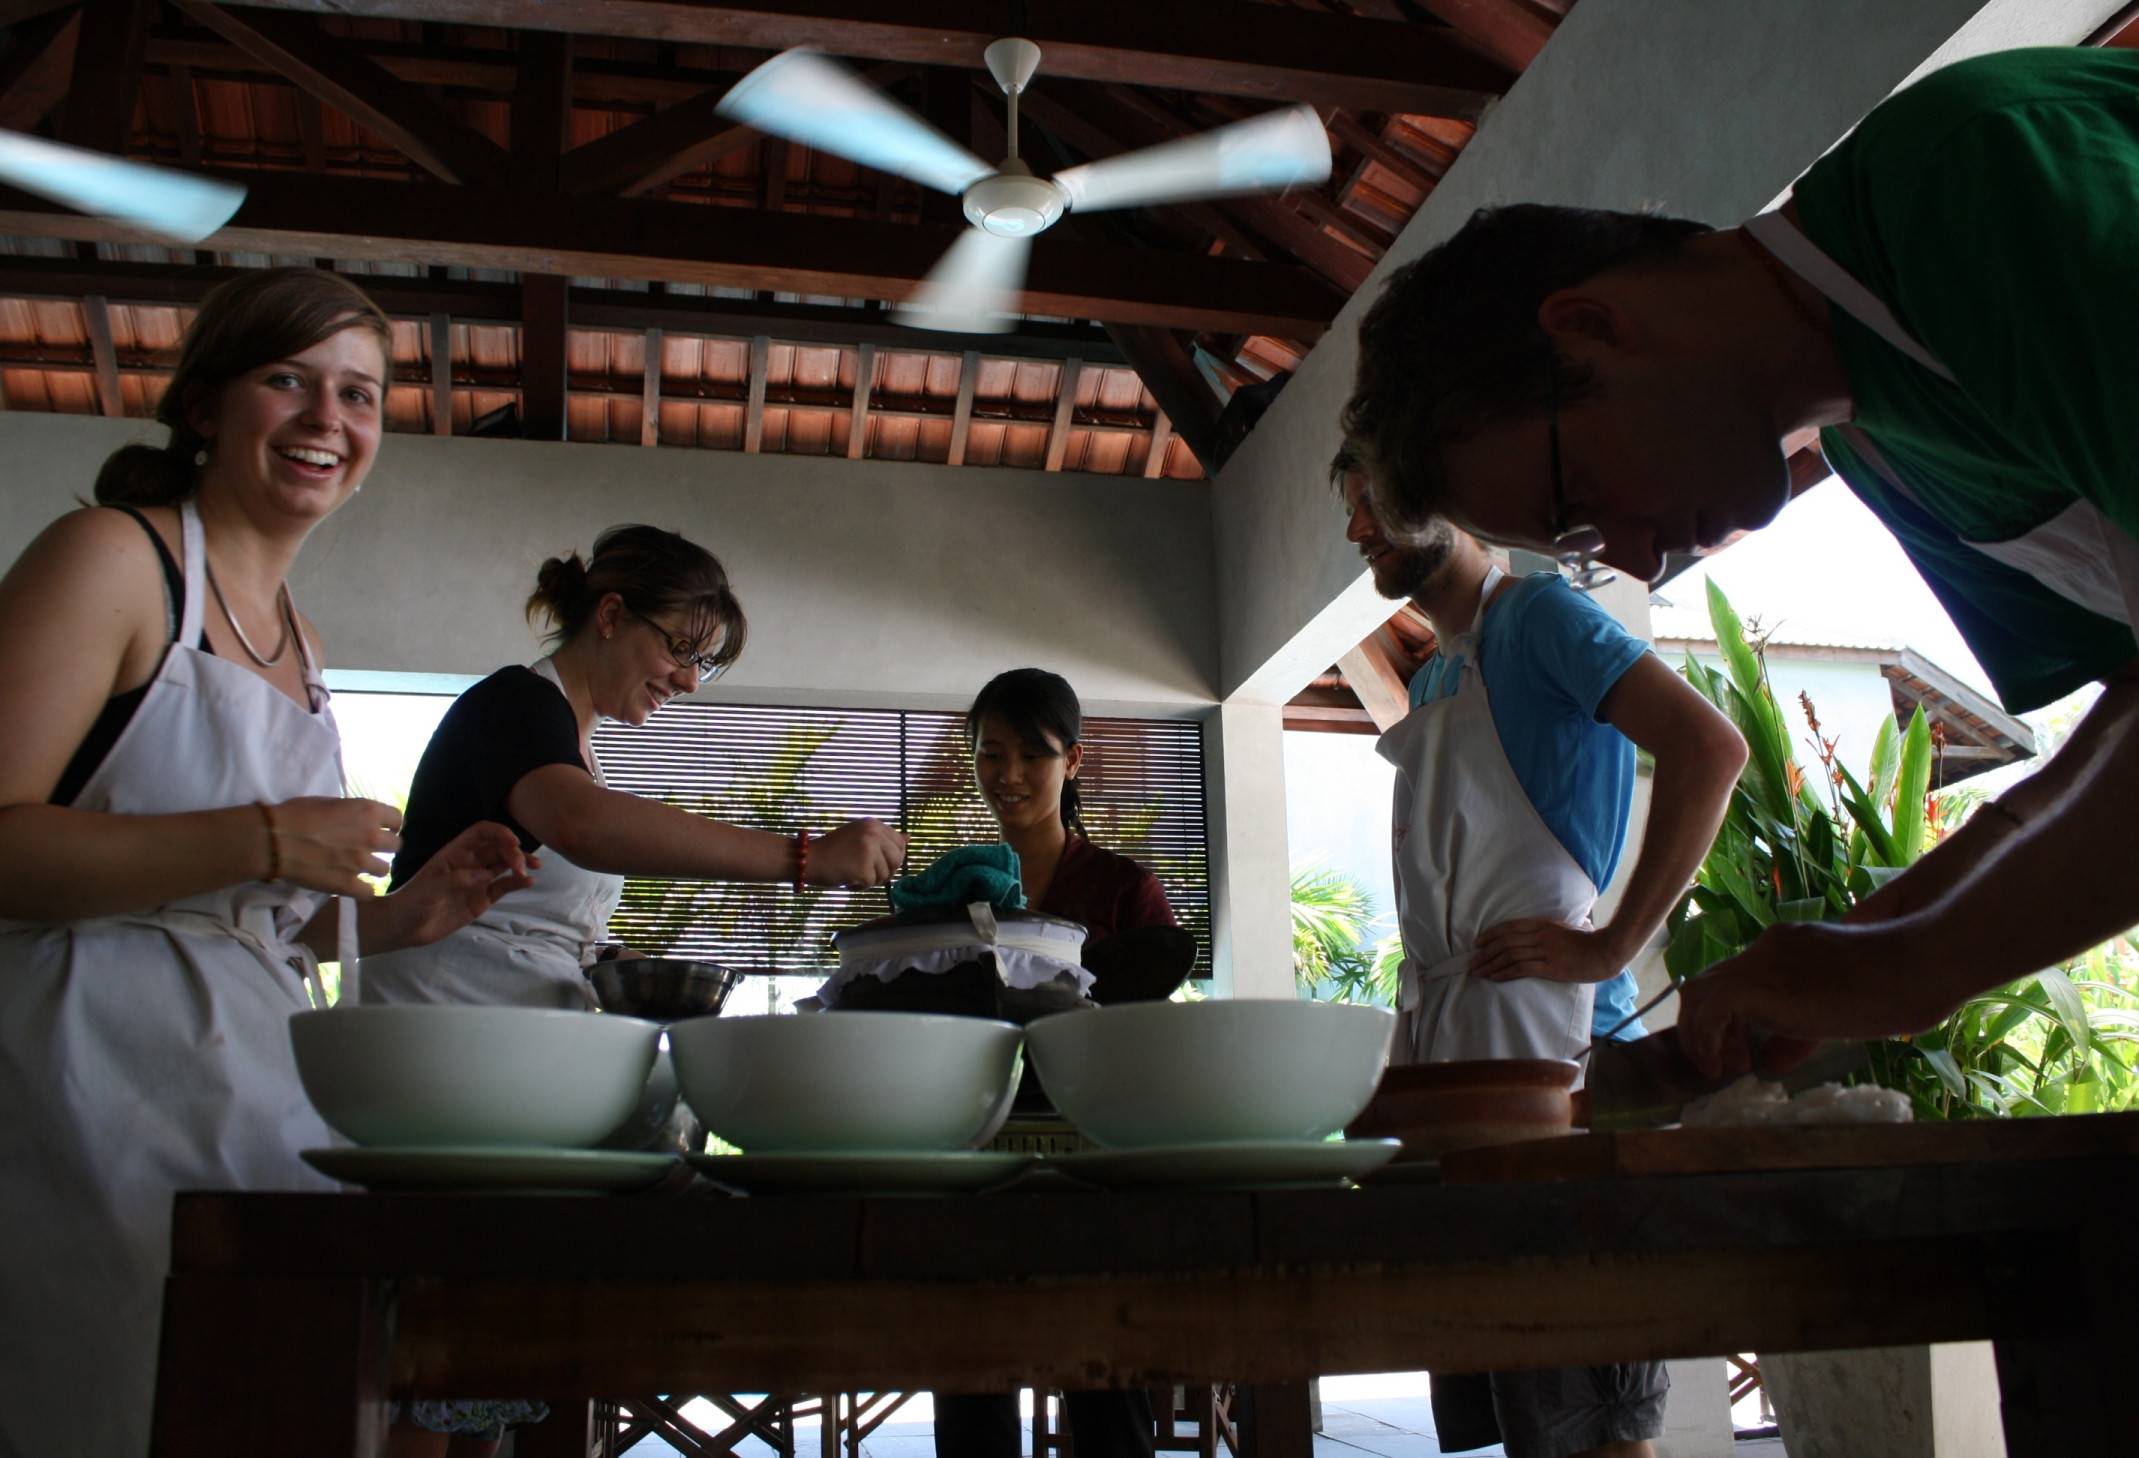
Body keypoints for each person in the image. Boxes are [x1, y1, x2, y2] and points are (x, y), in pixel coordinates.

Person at [1337, 45, 2139, 1079]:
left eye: (1576, 501)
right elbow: (2125, 707)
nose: (1626, 553)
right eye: (1576, 547)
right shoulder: (1886, 458)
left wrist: (1921, 963)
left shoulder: (1967, 177)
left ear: (1590, 327)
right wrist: (1878, 938)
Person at [0, 268, 535, 1458]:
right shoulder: (112, 560)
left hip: (255, 1071)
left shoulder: (303, 641)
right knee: (134, 1406)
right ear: (203, 405)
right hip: (83, 1077)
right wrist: (269, 837)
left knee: (318, 1396)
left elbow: (242, 921)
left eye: (358, 394)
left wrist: (404, 915)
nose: (326, 421)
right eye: (286, 380)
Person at [360, 525, 906, 1453]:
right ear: (610, 617)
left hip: (511, 1065)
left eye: (703, 663)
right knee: (446, 1341)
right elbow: (580, 824)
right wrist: (802, 858)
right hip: (451, 1058)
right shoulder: (516, 707)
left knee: (488, 1346)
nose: (688, 680)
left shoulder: (571, 738)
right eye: (679, 650)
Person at [1334, 446, 1744, 1458]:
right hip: (1460, 1068)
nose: (1357, 531)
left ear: (1445, 493)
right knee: (1525, 1417)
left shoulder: (1544, 620)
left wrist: (1612, 946)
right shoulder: (1431, 681)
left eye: (1373, 502)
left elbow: (1711, 749)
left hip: (1564, 1074)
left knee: (1597, 1425)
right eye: (1349, 514)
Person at [932, 667, 1177, 1458]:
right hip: (973, 1163)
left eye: (1030, 756)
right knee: (973, 1382)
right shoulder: (955, 893)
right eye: (989, 754)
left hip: (1094, 1168)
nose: (1006, 776)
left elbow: (1146, 1041)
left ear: (1072, 761)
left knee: (1107, 1382)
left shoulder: (1122, 888)